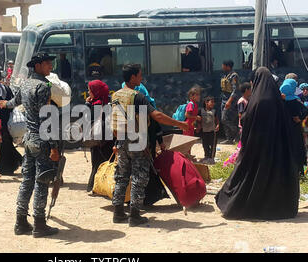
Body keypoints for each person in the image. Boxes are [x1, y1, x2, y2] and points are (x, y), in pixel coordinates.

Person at [215, 67, 300, 220]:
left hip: (257, 146)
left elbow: (246, 121)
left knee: (249, 174)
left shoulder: (256, 101)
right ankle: (274, 208)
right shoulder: (278, 101)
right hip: (277, 149)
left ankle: (244, 205)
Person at [111, 63, 188, 227]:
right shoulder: (137, 96)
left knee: (122, 176)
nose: (141, 78)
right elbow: (157, 116)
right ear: (132, 77)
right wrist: (180, 124)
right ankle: (135, 215)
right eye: (139, 75)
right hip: (136, 141)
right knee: (139, 177)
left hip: (121, 140)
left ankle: (118, 212)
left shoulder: (116, 95)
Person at [0, 52, 60, 237]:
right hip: (42, 141)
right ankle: (39, 224)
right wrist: (55, 147)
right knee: (42, 181)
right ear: (38, 65)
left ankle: (21, 222)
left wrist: (3, 104)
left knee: (27, 181)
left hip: (29, 139)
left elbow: (14, 102)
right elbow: (46, 118)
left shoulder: (25, 84)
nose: (51, 66)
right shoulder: (43, 87)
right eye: (48, 63)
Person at [0, 70, 22, 175]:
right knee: (6, 141)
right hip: (9, 119)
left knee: (2, 143)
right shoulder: (5, 88)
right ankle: (11, 164)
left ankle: (10, 165)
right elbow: (12, 101)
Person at [85, 80, 114, 192]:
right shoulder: (108, 103)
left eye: (90, 90)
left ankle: (94, 187)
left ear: (96, 91)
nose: (88, 92)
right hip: (108, 139)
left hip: (97, 140)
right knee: (107, 163)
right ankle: (103, 187)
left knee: (97, 164)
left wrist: (87, 105)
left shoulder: (95, 105)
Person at [280, 78, 308, 174]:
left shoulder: (281, 101)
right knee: (296, 148)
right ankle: (298, 171)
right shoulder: (296, 100)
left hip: (284, 128)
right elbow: (305, 110)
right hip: (295, 128)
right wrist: (300, 118)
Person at [220, 60, 240, 145]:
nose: (222, 67)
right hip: (224, 99)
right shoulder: (225, 75)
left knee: (225, 119)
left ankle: (238, 134)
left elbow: (235, 90)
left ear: (228, 66)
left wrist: (229, 101)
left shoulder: (234, 76)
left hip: (230, 101)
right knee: (225, 119)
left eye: (223, 65)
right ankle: (229, 138)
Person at [199, 96, 219, 165]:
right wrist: (198, 127)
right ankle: (206, 156)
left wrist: (217, 125)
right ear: (206, 103)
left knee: (213, 145)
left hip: (212, 131)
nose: (213, 103)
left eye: (214, 102)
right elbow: (198, 120)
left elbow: (216, 120)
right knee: (205, 144)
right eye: (212, 102)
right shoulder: (201, 111)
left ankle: (212, 157)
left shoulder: (214, 111)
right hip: (204, 131)